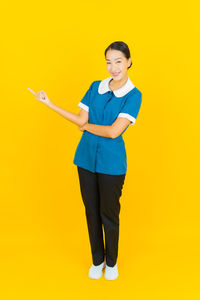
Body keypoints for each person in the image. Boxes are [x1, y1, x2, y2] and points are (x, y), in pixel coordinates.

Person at [34, 41, 142, 280]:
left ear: (129, 62)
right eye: (108, 62)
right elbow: (79, 118)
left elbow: (115, 131)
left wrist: (86, 126)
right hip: (84, 160)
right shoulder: (96, 87)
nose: (113, 67)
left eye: (118, 61)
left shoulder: (134, 95)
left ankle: (111, 263)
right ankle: (97, 260)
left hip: (112, 164)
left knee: (109, 214)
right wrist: (49, 104)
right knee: (91, 211)